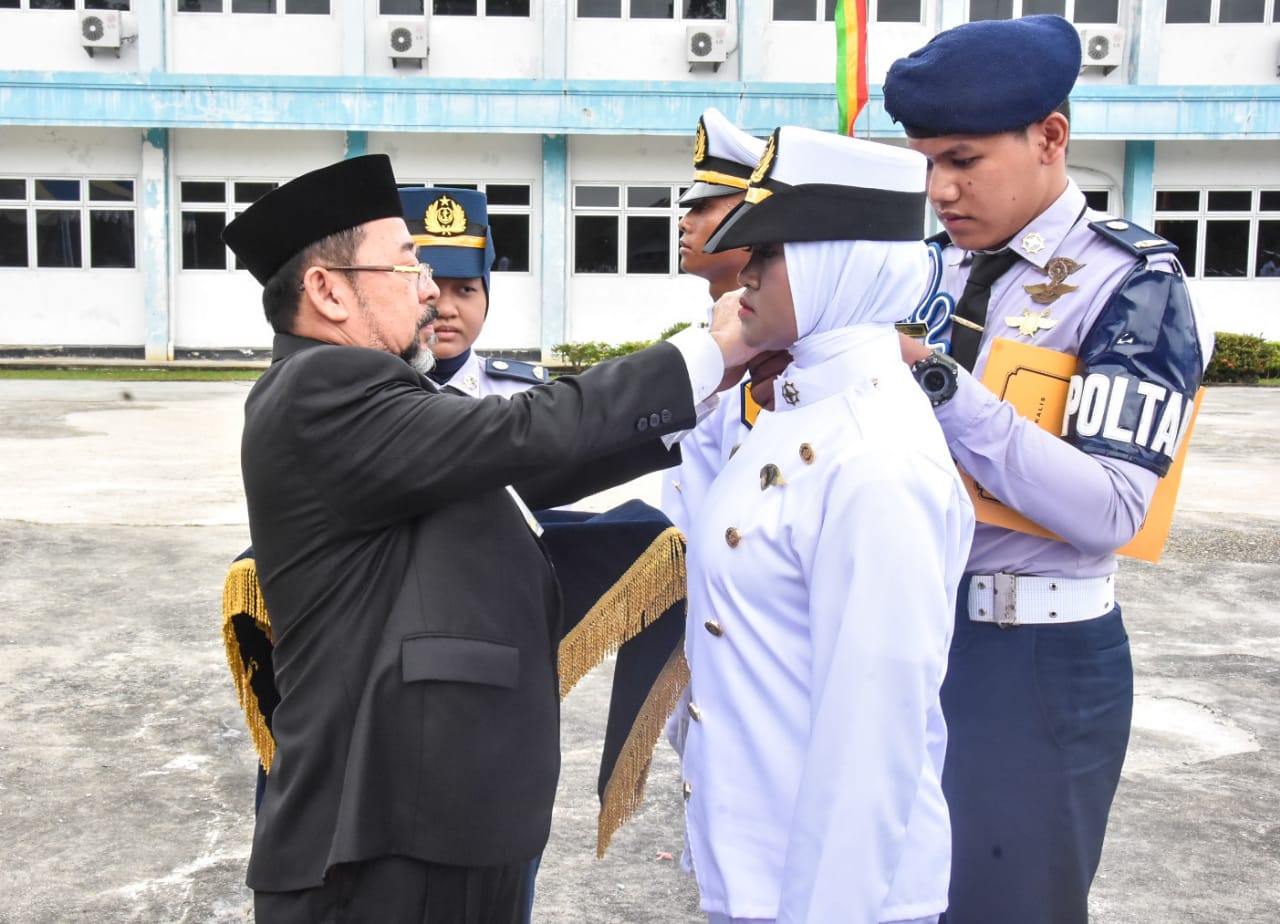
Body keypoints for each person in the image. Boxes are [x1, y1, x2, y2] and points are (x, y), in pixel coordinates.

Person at [220, 153, 755, 923]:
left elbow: (520, 468)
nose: (430, 287)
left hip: (434, 822)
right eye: (406, 265)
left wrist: (706, 393)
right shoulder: (319, 388)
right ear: (328, 290)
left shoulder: (367, 395)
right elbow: (519, 430)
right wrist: (707, 351)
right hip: (382, 842)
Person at [882, 16, 1213, 924]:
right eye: (925, 163)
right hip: (918, 637)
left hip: (1034, 662)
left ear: (1050, 138)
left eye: (962, 159)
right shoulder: (927, 271)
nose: (940, 189)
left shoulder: (1131, 284)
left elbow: (1113, 508)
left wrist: (943, 383)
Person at [680, 125, 975, 924]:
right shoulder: (800, 405)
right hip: (755, 868)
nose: (743, 275)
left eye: (767, 255)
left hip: (831, 897)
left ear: (834, 263)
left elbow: (869, 747)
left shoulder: (876, 459)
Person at [400, 185, 550, 396]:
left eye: (465, 289)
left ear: (486, 297)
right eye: (424, 286)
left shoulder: (523, 397)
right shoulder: (367, 398)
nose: (445, 309)